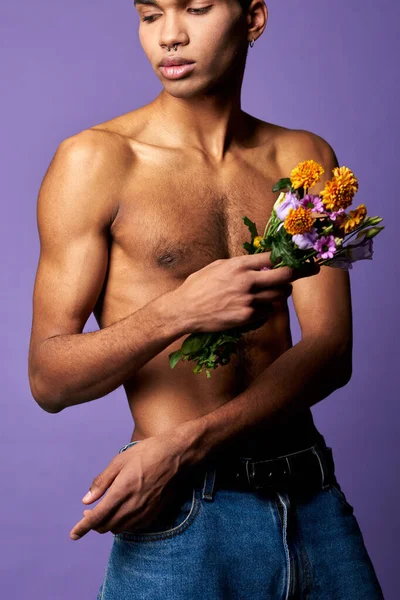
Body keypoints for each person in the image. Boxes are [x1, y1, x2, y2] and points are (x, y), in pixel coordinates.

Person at [28, 0, 385, 597]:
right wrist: (180, 309)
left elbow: (330, 348)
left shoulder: (304, 159)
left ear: (253, 18)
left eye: (195, 8)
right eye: (149, 14)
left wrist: (184, 443)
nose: (170, 36)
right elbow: (49, 378)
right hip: (181, 515)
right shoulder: (94, 161)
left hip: (312, 498)